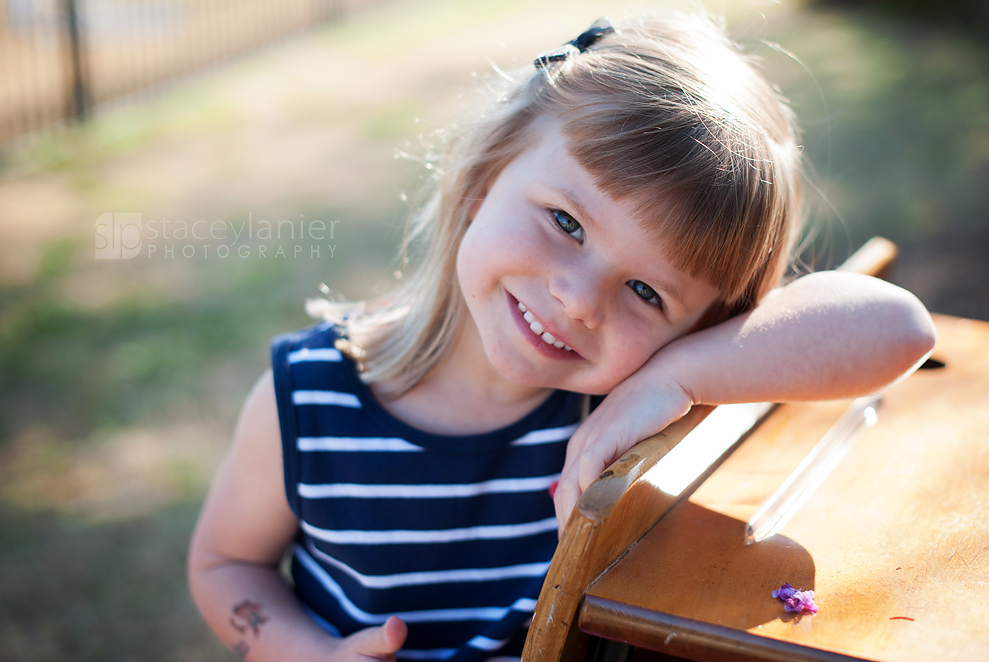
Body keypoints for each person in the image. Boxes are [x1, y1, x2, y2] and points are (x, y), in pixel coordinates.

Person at [188, 12, 936, 662]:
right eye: (566, 222)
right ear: (484, 176)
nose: (579, 301)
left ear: (700, 327)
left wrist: (670, 378)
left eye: (647, 291)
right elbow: (225, 564)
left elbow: (898, 327)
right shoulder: (308, 402)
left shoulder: (619, 410)